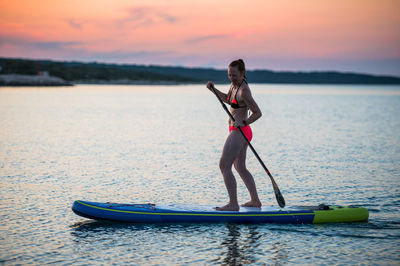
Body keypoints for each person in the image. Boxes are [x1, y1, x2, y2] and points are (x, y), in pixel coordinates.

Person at [206, 59, 263, 211]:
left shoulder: (244, 91)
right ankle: (255, 201)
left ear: (243, 73)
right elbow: (228, 100)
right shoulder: (234, 86)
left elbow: (258, 113)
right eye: (229, 75)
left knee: (224, 165)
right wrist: (214, 90)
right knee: (240, 167)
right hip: (237, 130)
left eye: (234, 75)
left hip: (240, 131)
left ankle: (233, 204)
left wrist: (244, 122)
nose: (231, 78)